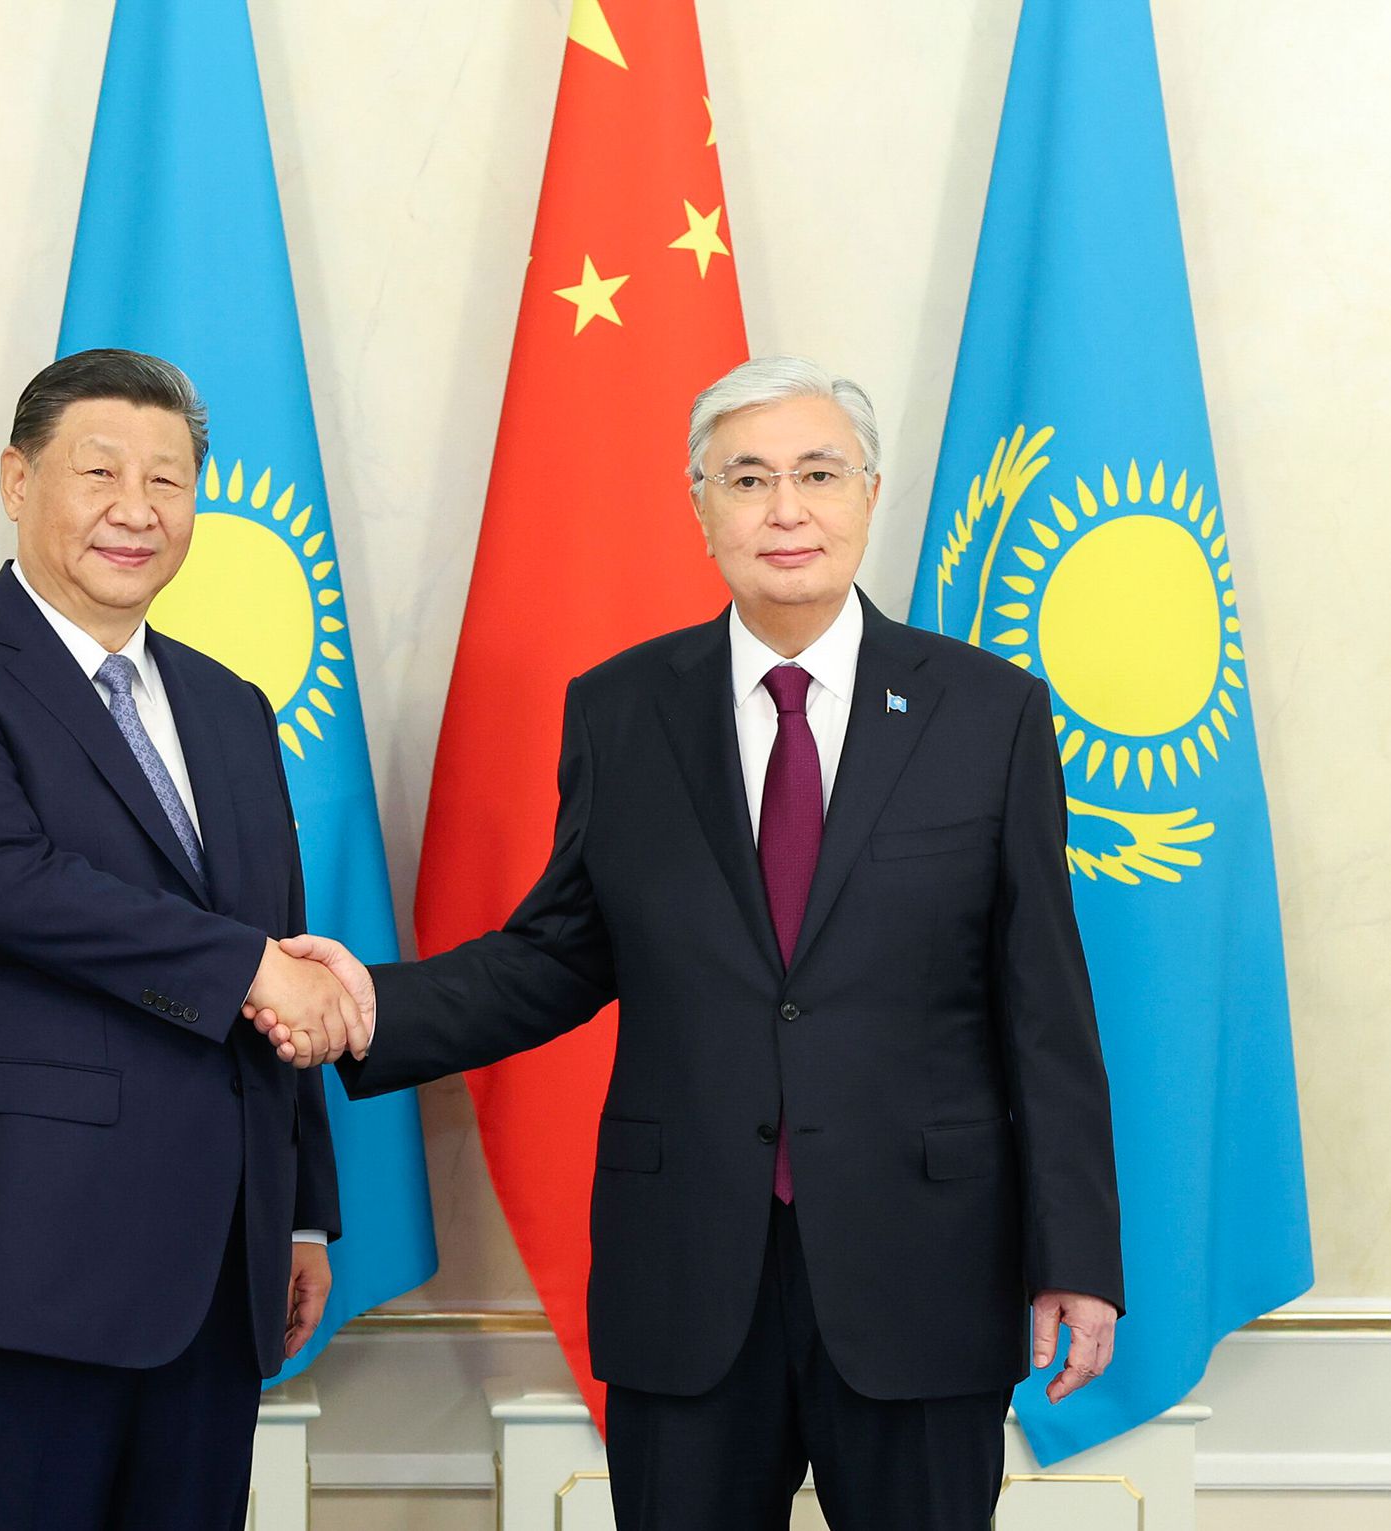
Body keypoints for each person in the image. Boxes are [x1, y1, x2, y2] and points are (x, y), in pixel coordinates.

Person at [256, 356, 1125, 1529]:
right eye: (748, 477)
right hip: (688, 1265)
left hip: (918, 1262)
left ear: (868, 494)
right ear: (698, 504)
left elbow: (1043, 1005)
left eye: (817, 474)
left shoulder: (988, 711)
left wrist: (1073, 1254)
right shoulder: (622, 707)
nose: (785, 508)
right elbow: (561, 951)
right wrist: (373, 1004)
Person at [0, 348, 366, 1531]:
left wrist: (297, 1210)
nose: (136, 510)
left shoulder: (233, 705)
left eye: (169, 481)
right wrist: (245, 965)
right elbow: (5, 885)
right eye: (99, 472)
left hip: (218, 1265)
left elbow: (275, 942)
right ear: (16, 481)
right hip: (23, 1254)